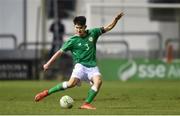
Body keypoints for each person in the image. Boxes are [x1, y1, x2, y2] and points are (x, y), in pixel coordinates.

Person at [35, 12, 124, 110]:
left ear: (85, 27)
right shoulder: (72, 41)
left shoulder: (93, 33)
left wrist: (115, 20)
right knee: (70, 84)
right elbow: (59, 52)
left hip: (92, 66)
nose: (78, 30)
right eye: (76, 27)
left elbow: (108, 28)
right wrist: (48, 64)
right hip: (80, 66)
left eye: (80, 28)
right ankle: (46, 93)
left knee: (98, 81)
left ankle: (86, 104)